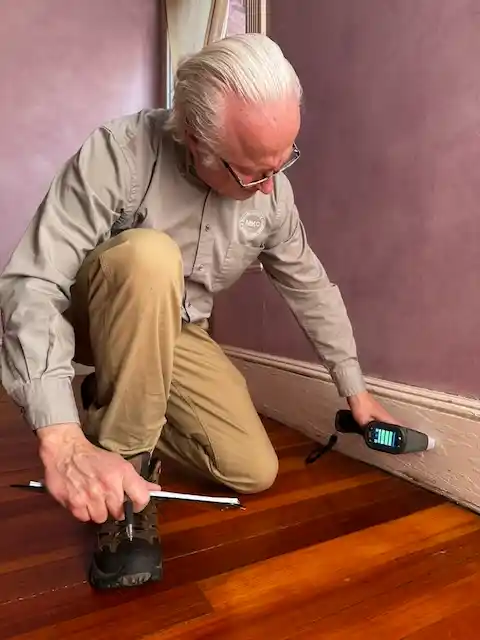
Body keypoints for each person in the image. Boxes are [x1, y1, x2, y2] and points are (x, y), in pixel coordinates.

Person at [0, 33, 396, 590]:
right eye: (253, 172)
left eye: (282, 162)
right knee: (148, 254)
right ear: (191, 138)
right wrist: (61, 440)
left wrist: (354, 390)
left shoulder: (271, 188)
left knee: (252, 470)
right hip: (91, 319)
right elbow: (33, 282)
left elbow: (309, 283)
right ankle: (126, 481)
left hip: (177, 330)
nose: (269, 187)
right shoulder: (119, 153)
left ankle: (106, 407)